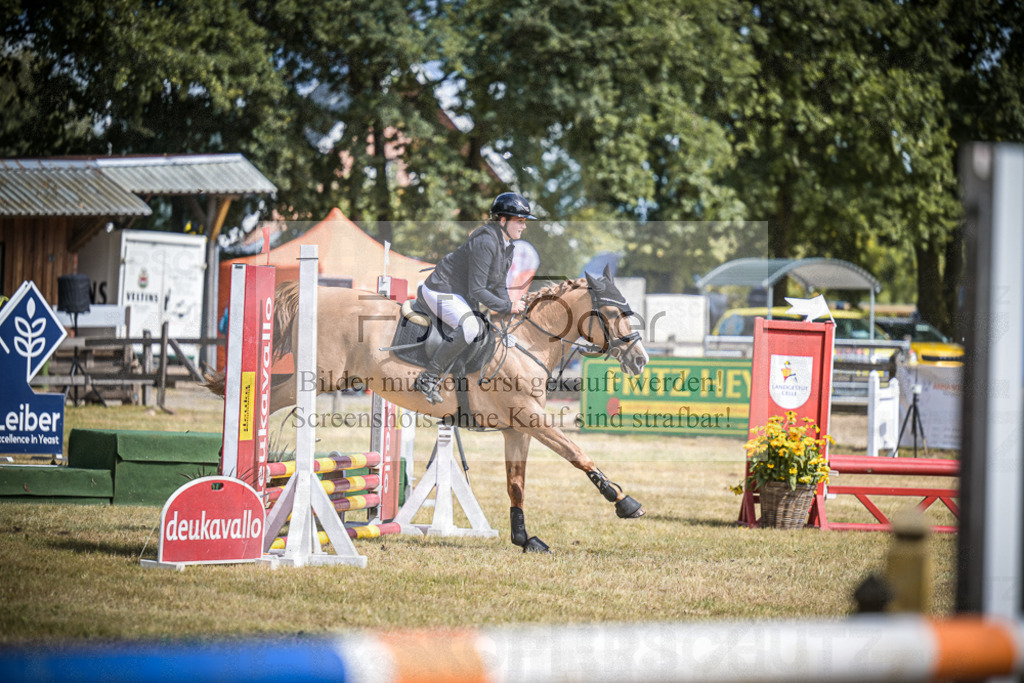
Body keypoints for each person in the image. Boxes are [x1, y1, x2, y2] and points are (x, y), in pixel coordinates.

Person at [413, 192, 536, 404]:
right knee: (471, 327)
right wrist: (508, 306)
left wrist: (510, 312)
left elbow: (498, 285)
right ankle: (428, 377)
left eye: (524, 221)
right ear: (503, 220)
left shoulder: (506, 245)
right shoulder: (486, 241)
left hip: (459, 294)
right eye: (520, 221)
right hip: (440, 290)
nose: (523, 226)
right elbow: (478, 291)